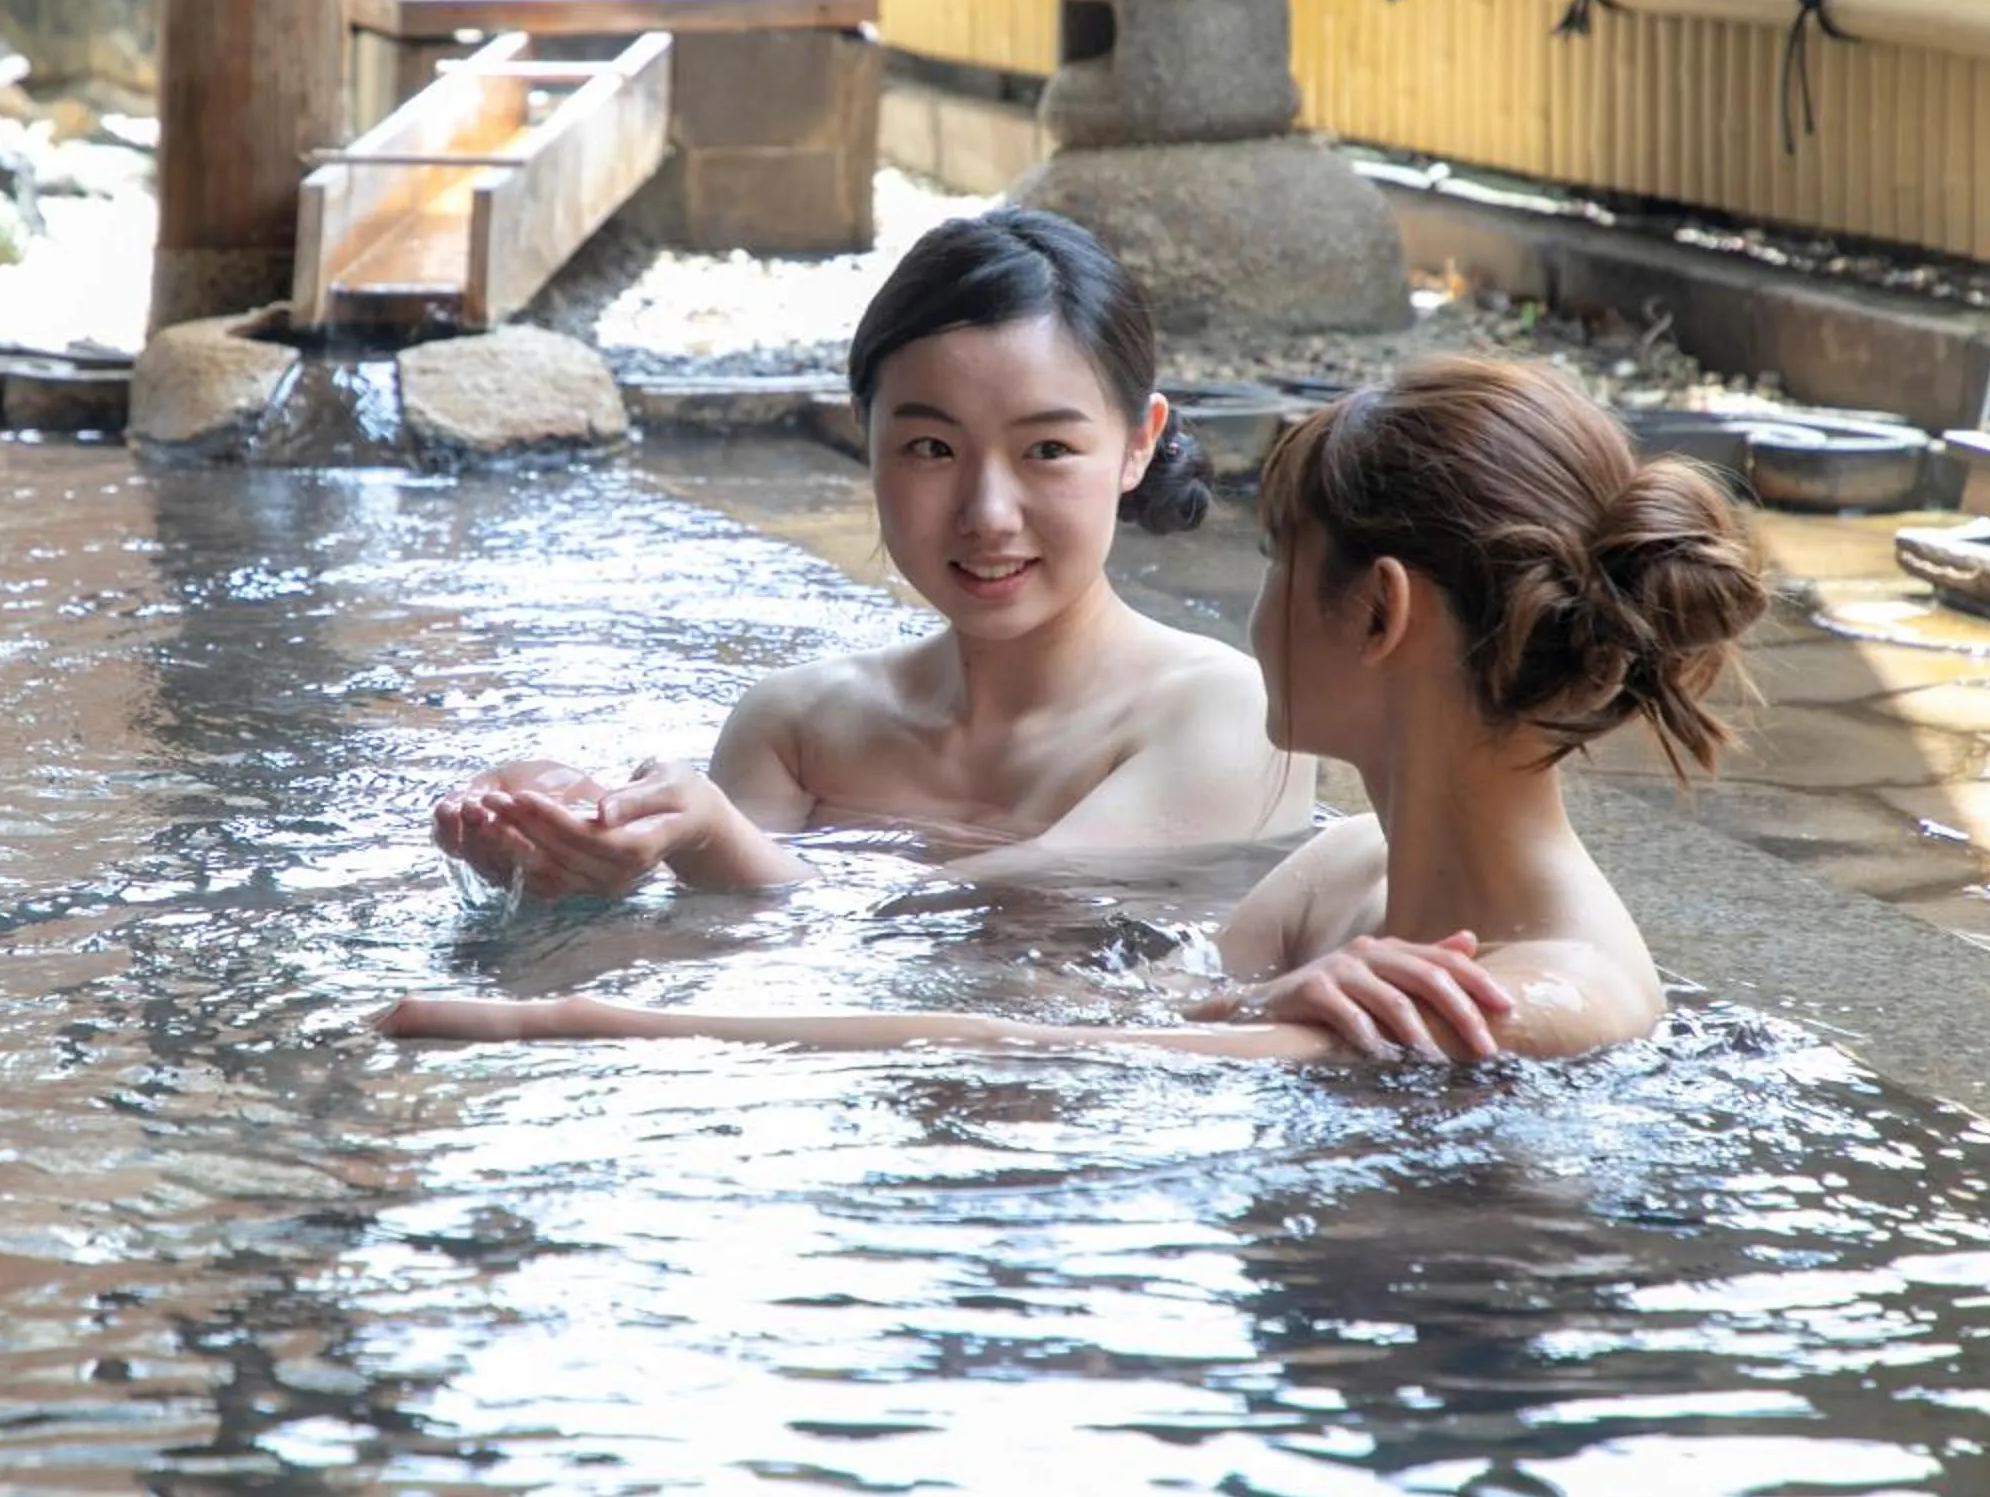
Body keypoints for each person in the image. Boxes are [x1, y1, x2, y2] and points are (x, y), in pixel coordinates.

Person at [388, 353, 1768, 1062]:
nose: (1253, 604)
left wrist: (567, 1030)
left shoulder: (1547, 995)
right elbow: (1120, 1011)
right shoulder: (1344, 871)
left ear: (1381, 611)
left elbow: (1070, 1055)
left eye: (1281, 565)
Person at [431, 209, 1313, 902]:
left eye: (1047, 451)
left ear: (1136, 443)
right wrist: (587, 862)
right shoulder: (800, 726)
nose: (988, 513)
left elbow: (1013, 917)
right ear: (867, 440)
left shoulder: (1235, 712)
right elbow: (727, 970)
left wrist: (710, 838)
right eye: (932, 449)